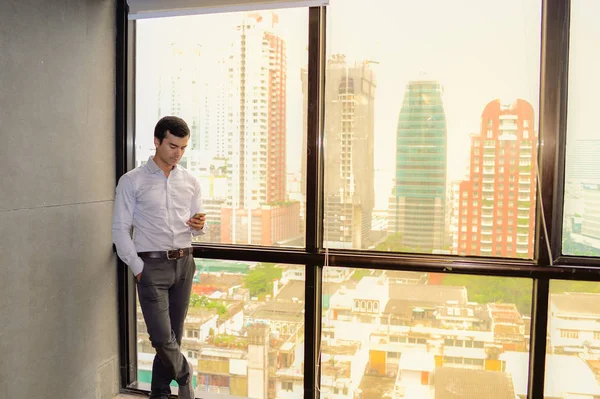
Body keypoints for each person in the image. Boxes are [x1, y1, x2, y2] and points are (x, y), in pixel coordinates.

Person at [112, 116, 206, 399]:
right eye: (173, 146)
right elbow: (119, 230)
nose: (178, 153)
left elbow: (197, 226)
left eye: (184, 148)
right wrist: (138, 267)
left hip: (184, 263)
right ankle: (185, 377)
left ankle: (160, 393)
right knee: (162, 338)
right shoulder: (132, 181)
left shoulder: (190, 181)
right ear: (157, 142)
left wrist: (200, 226)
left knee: (173, 336)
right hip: (151, 265)